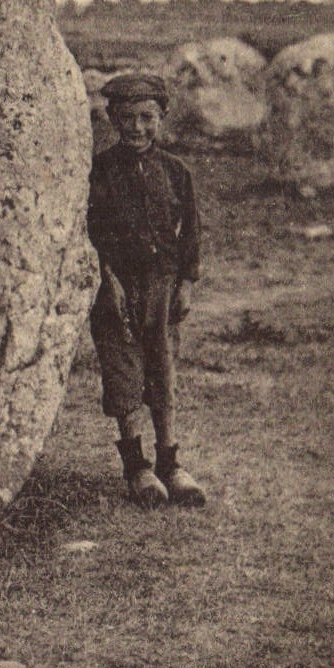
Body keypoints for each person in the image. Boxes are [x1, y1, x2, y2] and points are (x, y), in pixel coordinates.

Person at [87, 72, 206, 508]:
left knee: (163, 368)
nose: (137, 128)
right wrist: (106, 277)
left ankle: (171, 464)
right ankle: (136, 466)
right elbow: (89, 231)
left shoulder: (175, 171)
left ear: (161, 118)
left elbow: (190, 230)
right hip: (113, 290)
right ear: (112, 119)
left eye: (147, 117)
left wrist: (186, 282)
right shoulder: (98, 170)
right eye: (127, 118)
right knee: (122, 372)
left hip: (161, 284)